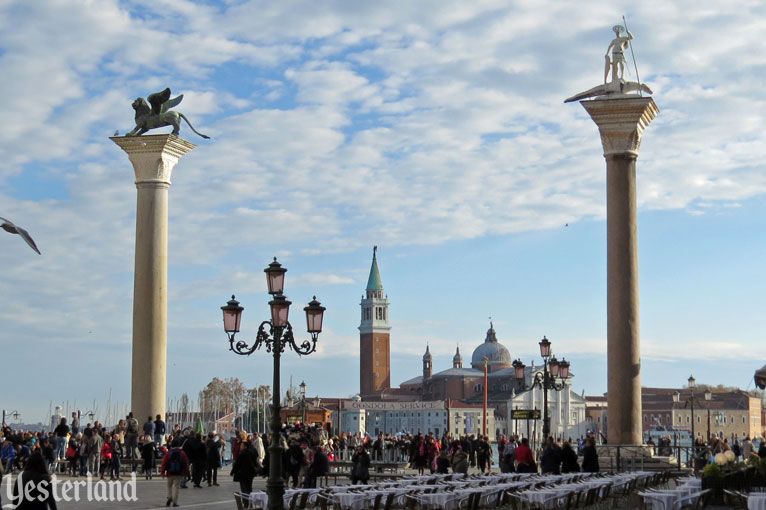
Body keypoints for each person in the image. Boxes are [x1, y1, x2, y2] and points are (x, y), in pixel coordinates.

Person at [162, 442, 190, 508]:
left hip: (170, 473)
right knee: (176, 487)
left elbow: (164, 462)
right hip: (178, 473)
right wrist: (186, 472)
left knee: (169, 486)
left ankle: (169, 497)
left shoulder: (169, 453)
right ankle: (175, 502)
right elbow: (186, 463)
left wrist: (163, 472)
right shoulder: (182, 453)